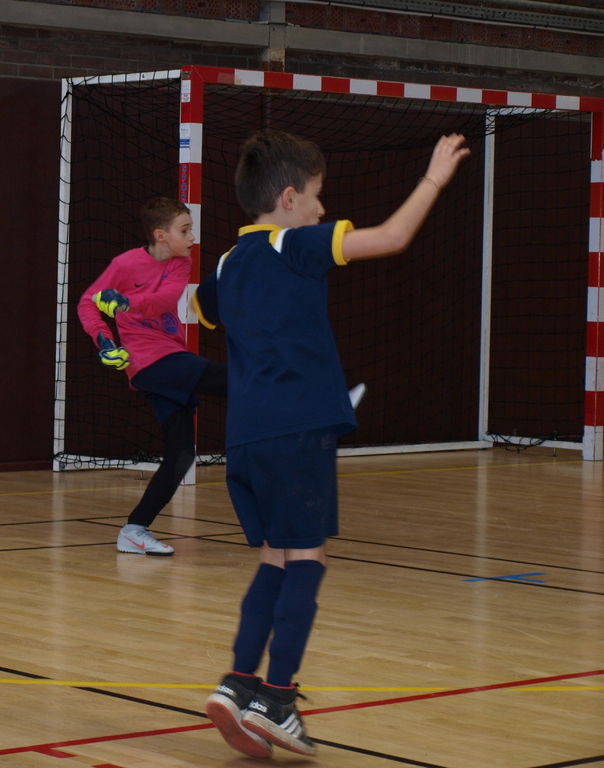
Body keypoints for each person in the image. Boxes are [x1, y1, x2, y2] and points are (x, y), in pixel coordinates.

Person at [197, 131, 470, 758]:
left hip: (245, 438)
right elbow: (392, 237)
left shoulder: (227, 263)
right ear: (289, 198)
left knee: (274, 558)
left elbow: (195, 306)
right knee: (306, 559)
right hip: (296, 431)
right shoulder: (294, 243)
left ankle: (238, 684)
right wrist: (433, 178)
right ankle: (277, 699)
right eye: (317, 196)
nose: (323, 208)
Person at [77, 197, 227, 557]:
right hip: (151, 361)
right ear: (161, 235)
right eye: (184, 230)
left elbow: (163, 300)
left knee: (181, 455)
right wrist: (104, 341)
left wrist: (128, 303)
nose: (192, 237)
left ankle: (133, 530)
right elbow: (87, 303)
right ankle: (314, 404)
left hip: (166, 358)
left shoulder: (181, 262)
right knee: (235, 380)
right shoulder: (124, 264)